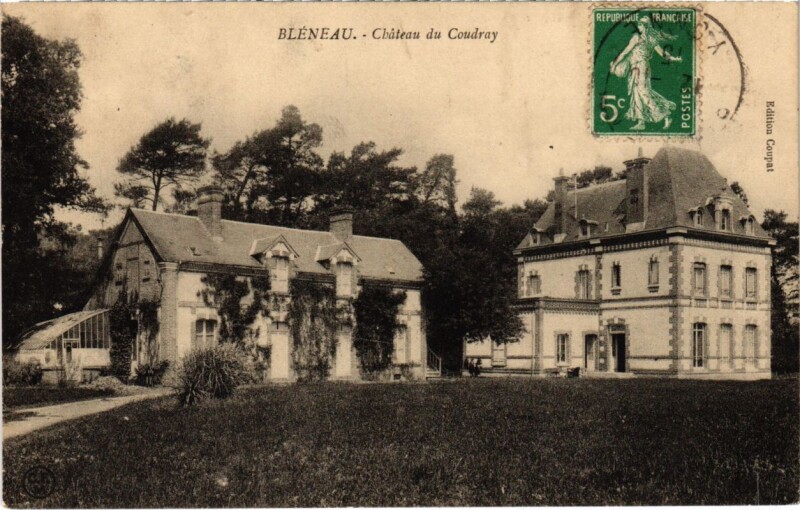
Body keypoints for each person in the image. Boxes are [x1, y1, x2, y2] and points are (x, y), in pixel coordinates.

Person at [609, 16, 683, 130]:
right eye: (638, 24)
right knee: (637, 93)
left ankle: (665, 114)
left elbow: (624, 53)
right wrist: (674, 59)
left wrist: (614, 65)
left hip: (639, 67)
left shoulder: (637, 38)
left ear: (645, 26)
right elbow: (663, 54)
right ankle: (641, 122)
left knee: (642, 92)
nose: (638, 27)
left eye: (640, 25)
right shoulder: (652, 39)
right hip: (642, 68)